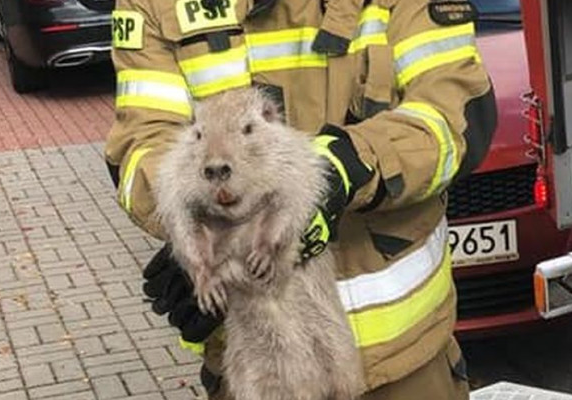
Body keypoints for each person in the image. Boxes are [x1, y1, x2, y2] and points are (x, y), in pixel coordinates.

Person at [105, 0, 497, 397]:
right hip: (260, 363)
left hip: (406, 365)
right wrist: (205, 230)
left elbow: (452, 116)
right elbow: (141, 147)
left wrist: (344, 166)